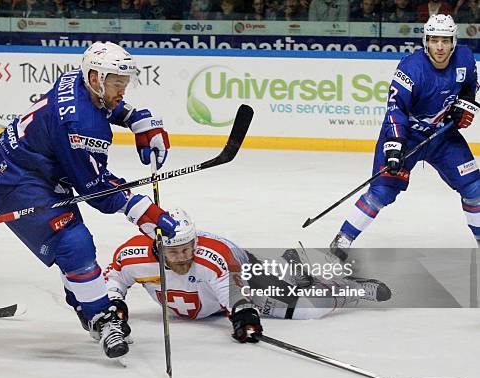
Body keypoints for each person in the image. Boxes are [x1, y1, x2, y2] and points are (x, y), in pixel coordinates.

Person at [0, 41, 176, 359]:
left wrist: (137, 119)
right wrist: (141, 208)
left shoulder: (76, 78)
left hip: (29, 166)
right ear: (97, 78)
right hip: (16, 182)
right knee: (74, 243)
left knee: (72, 248)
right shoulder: (80, 127)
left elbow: (105, 105)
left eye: (124, 83)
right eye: (117, 83)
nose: (122, 90)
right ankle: (101, 317)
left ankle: (85, 305)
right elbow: (96, 189)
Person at [103, 209, 391, 344]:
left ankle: (347, 289)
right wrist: (115, 304)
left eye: (188, 249)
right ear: (158, 247)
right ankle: (288, 265)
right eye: (175, 251)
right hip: (207, 301)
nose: (183, 257)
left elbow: (234, 297)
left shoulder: (210, 260)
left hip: (240, 268)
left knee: (306, 311)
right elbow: (114, 277)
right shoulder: (133, 256)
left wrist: (245, 319)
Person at [330, 14, 479, 261]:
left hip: (443, 136)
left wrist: (466, 104)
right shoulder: (411, 68)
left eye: (445, 40)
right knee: (382, 192)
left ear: (453, 41)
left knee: (475, 188)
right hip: (408, 136)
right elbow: (395, 109)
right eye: (434, 40)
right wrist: (395, 145)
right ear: (425, 41)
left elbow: (469, 85)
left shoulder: (464, 58)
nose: (439, 47)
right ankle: (343, 238)